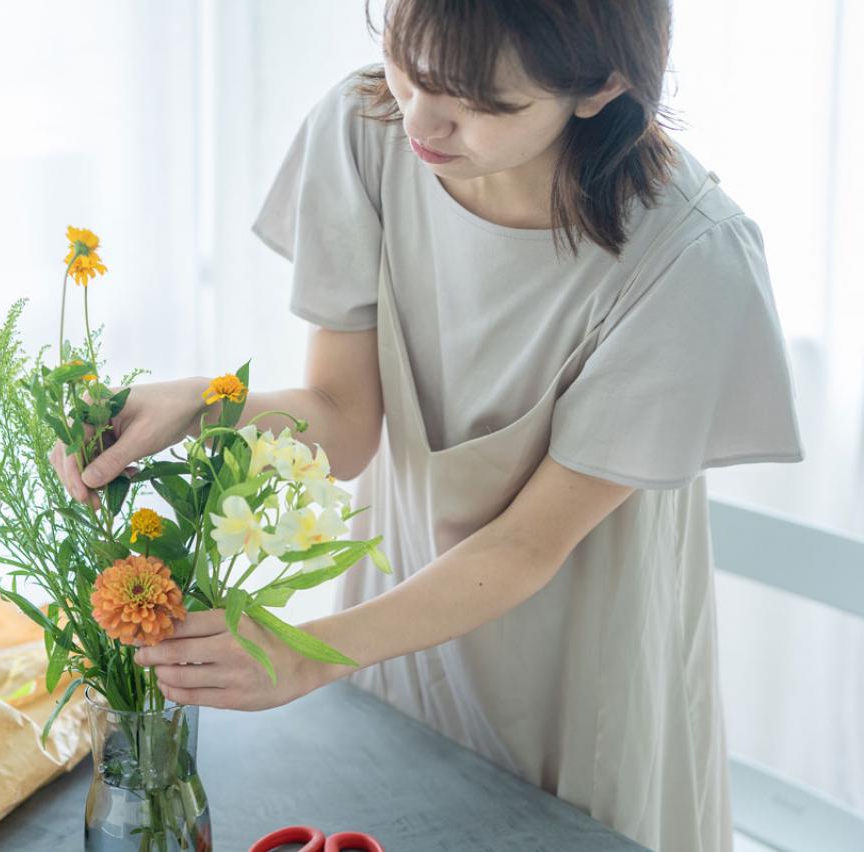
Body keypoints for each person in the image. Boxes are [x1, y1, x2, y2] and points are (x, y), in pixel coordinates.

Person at [49, 1, 805, 849]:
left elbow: (526, 544)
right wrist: (203, 403)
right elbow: (341, 425)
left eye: (482, 100)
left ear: (601, 88)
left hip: (582, 668)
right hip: (396, 632)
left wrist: (307, 652)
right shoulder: (366, 126)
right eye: (408, 62)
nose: (421, 118)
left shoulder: (688, 257)